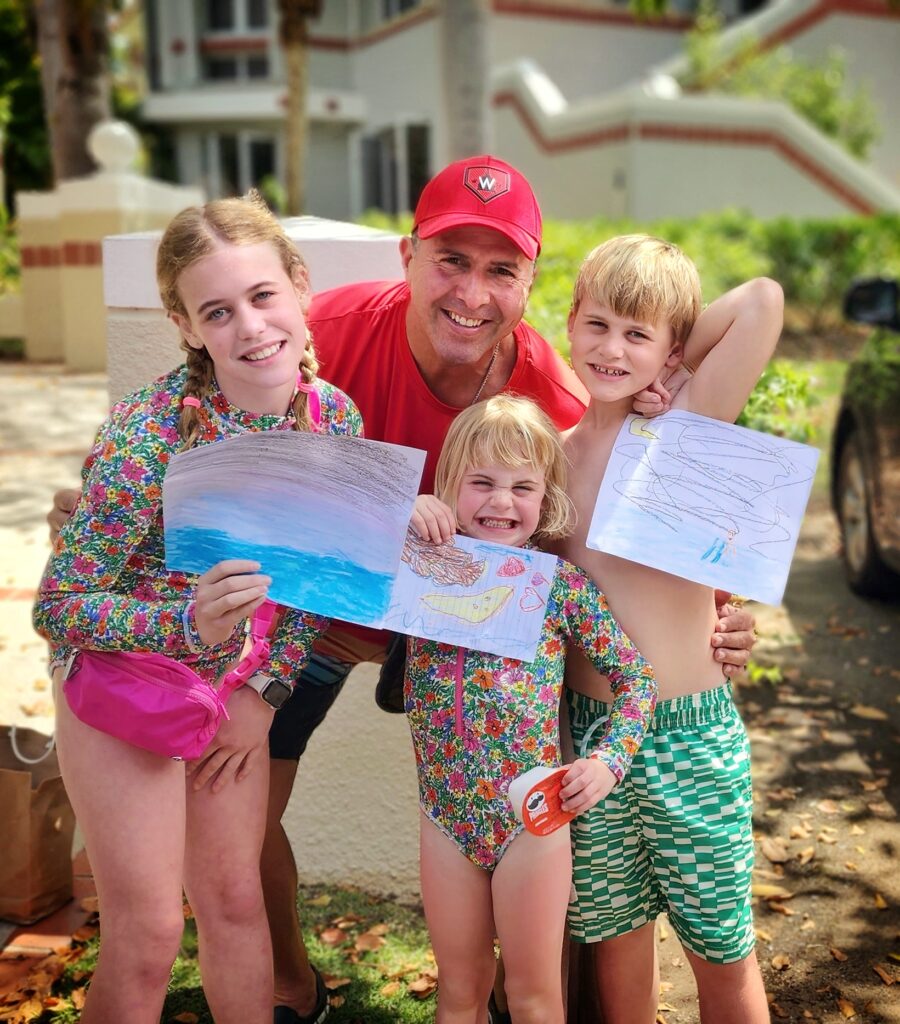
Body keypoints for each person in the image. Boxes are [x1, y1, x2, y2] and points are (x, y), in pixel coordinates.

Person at [46, 156, 756, 1023]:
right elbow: (145, 525)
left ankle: (521, 992)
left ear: (531, 285)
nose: (472, 291)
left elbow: (620, 546)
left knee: (554, 858)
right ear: (407, 255)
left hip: (445, 637)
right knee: (237, 819)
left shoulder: (558, 398)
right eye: (451, 260)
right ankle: (289, 985)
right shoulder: (318, 337)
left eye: (500, 269)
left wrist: (715, 613)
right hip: (311, 619)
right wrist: (256, 681)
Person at [32, 194, 363, 1024]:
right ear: (186, 326)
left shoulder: (335, 422)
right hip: (124, 686)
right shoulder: (149, 436)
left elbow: (311, 588)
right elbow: (59, 604)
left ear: (298, 287)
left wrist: (264, 696)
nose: (250, 327)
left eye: (261, 296)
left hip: (233, 696)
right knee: (146, 938)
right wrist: (184, 626)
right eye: (218, 311)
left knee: (236, 906)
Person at [556, 235, 783, 1023]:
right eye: (599, 324)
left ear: (669, 347)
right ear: (571, 326)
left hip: (688, 735)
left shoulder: (678, 430)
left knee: (721, 955)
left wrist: (678, 368)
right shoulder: (548, 460)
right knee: (619, 958)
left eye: (639, 333)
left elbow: (761, 300)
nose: (613, 348)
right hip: (590, 740)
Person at [406, 395, 657, 1024]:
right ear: (449, 486)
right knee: (458, 994)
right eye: (481, 483)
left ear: (545, 498)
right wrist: (398, 511)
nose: (500, 502)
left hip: (533, 817)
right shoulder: (415, 564)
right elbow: (331, 545)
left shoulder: (556, 585)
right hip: (445, 816)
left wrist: (608, 763)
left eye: (523, 487)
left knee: (534, 996)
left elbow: (635, 677)